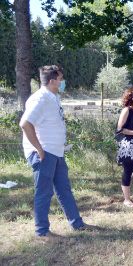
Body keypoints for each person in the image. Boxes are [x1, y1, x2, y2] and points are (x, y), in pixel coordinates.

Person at [19, 65, 93, 240]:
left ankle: (77, 223)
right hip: (44, 154)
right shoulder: (40, 99)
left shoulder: (53, 97)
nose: (63, 82)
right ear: (52, 81)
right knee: (43, 192)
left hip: (56, 152)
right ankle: (42, 231)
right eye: (60, 79)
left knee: (64, 189)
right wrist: (38, 149)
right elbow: (25, 124)